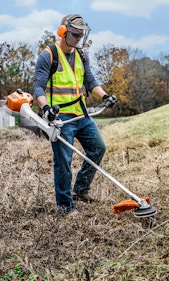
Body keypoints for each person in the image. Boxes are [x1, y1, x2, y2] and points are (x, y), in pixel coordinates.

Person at [33, 14, 117, 214]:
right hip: (60, 118)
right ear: (63, 32)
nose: (79, 38)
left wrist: (105, 96)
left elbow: (90, 81)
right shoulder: (48, 55)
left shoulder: (81, 55)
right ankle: (65, 206)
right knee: (64, 162)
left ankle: (80, 188)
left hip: (82, 114)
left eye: (81, 35)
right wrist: (46, 109)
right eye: (75, 34)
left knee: (98, 148)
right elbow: (38, 87)